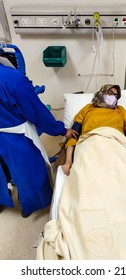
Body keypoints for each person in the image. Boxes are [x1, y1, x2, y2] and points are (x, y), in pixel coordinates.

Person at [0, 58, 78, 218]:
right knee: (28, 171)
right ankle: (31, 204)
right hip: (13, 136)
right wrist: (62, 130)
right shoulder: (13, 78)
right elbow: (37, 113)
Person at [61, 84, 126, 176]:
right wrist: (68, 160)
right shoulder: (88, 109)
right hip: (91, 143)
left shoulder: (121, 111)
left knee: (120, 169)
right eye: (110, 93)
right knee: (89, 170)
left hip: (116, 144)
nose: (113, 97)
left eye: (116, 96)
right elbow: (73, 135)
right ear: (101, 93)